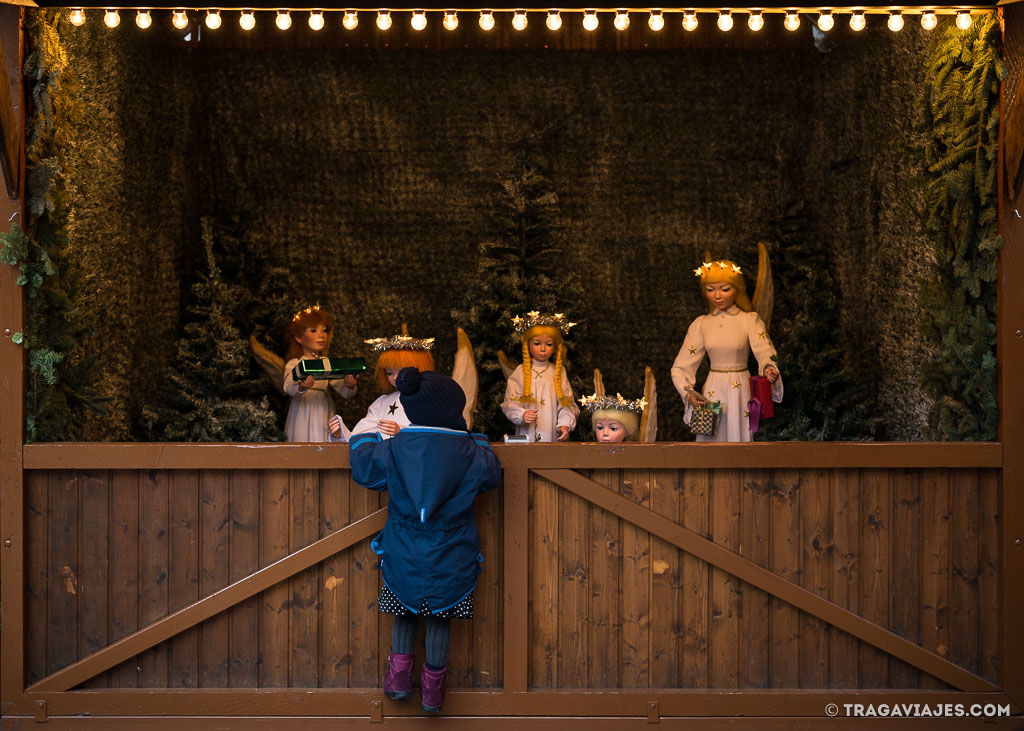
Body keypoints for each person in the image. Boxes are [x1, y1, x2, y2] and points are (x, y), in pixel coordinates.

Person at [349, 368, 501, 714]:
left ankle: (398, 681)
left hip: (402, 548)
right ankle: (433, 694)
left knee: (403, 609)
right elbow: (491, 477)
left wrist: (365, 437)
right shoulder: (472, 451)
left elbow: (364, 470)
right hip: (452, 551)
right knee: (440, 616)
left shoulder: (396, 447)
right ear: (452, 411)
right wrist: (479, 439)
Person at [671, 259, 782, 442]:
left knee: (740, 436)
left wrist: (769, 368)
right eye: (710, 289)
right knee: (711, 439)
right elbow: (680, 366)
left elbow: (765, 352)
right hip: (713, 389)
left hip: (741, 390)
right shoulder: (702, 324)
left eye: (724, 289)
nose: (717, 296)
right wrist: (689, 393)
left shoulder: (749, 320)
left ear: (737, 289)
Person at [333, 332, 435, 440]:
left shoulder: (432, 399)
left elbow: (438, 434)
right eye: (389, 373)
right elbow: (359, 437)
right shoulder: (383, 403)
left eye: (401, 371)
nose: (395, 377)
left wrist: (402, 431)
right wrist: (341, 435)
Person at [283, 305, 357, 442]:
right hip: (302, 410)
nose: (321, 335)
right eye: (313, 330)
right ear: (299, 337)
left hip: (322, 408)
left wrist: (349, 385)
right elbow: (288, 386)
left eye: (324, 331)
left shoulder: (326, 362)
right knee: (301, 440)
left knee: (323, 438)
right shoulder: (294, 364)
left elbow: (345, 390)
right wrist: (300, 387)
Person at [501, 312, 578, 442]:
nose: (543, 349)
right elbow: (509, 403)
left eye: (548, 344)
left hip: (552, 436)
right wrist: (522, 414)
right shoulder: (521, 372)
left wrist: (565, 424)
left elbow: (567, 403)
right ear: (528, 345)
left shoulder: (558, 372)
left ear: (555, 347)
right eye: (537, 343)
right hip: (527, 435)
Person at [580, 392, 646, 442]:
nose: (605, 433)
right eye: (600, 428)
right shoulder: (590, 454)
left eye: (613, 428)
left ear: (628, 431)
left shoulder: (635, 455)